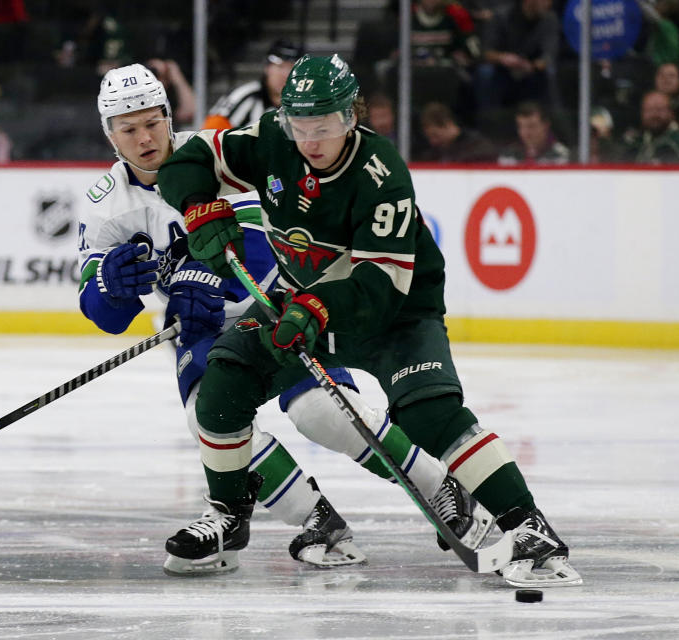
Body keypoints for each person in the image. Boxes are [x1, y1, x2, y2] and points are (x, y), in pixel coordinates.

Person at [157, 53, 581, 588]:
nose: (310, 141)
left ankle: (529, 528)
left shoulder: (382, 176)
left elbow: (380, 286)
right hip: (304, 305)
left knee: (429, 414)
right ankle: (228, 517)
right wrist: (198, 203)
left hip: (396, 315)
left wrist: (316, 307)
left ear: (352, 117)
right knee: (221, 388)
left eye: (325, 126)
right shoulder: (271, 140)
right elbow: (190, 154)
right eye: (299, 125)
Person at [81, 63, 487, 575]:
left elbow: (263, 245)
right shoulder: (105, 205)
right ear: (109, 134)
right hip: (202, 328)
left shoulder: (210, 156)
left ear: (168, 115)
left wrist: (203, 280)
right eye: (128, 128)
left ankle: (438, 487)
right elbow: (104, 315)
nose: (144, 138)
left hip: (278, 303)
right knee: (207, 415)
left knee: (321, 412)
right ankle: (315, 520)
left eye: (152, 122)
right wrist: (109, 289)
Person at [474, 0, 559, 112]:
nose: (548, 3)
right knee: (485, 72)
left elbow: (549, 54)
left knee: (550, 71)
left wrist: (532, 66)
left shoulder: (549, 19)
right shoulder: (501, 16)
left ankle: (554, 118)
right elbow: (486, 52)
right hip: (501, 68)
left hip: (532, 68)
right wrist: (503, 57)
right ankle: (489, 118)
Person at [202, 39, 304, 130]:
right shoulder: (243, 96)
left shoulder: (308, 102)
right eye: (280, 67)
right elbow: (210, 137)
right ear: (267, 68)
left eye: (292, 68)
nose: (285, 75)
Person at [622, 89, 679, 163]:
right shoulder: (634, 144)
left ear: (671, 113)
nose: (654, 114)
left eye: (660, 109)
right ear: (642, 113)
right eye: (649, 110)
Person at [415, 101, 498, 162]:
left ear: (447, 124)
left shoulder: (477, 145)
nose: (432, 141)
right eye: (429, 137)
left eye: (435, 135)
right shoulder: (434, 153)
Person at [497, 101, 570, 165]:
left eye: (531, 126)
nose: (526, 133)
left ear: (546, 125)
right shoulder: (509, 155)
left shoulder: (562, 156)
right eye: (521, 126)